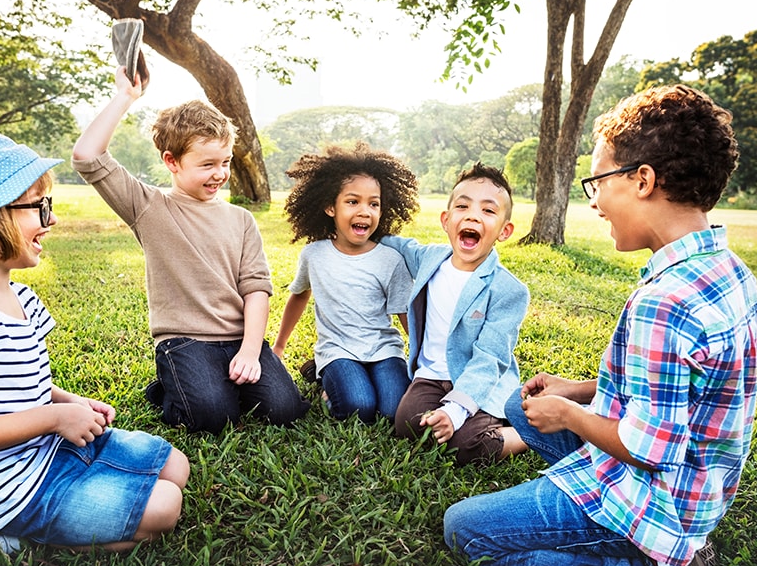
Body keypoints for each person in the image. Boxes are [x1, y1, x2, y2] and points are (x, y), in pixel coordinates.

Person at [444, 85, 757, 566]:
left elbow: (652, 450)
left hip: (656, 500)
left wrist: (571, 415)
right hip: (697, 489)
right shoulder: (729, 272)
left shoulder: (667, 301)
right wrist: (577, 390)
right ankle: (590, 491)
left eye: (596, 182)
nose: (593, 202)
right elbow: (682, 391)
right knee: (517, 405)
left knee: (465, 530)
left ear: (642, 180)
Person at [0, 127, 190, 557]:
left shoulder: (19, 296)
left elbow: (13, 385)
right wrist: (53, 419)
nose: (50, 220)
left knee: (175, 468)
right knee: (165, 506)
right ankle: (12, 538)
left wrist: (66, 402)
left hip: (39, 452)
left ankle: (64, 508)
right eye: (37, 207)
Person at [71, 66, 309, 434]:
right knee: (212, 417)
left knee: (285, 410)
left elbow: (256, 290)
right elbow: (87, 157)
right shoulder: (148, 207)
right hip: (184, 342)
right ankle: (170, 387)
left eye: (225, 162)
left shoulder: (241, 219)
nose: (220, 173)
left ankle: (220, 382)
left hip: (238, 338)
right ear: (172, 162)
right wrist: (125, 97)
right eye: (207, 164)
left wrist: (249, 351)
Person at [381, 163, 529, 466]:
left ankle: (524, 433)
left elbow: (490, 358)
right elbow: (396, 244)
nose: (473, 215)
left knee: (465, 445)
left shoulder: (508, 290)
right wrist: (362, 229)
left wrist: (454, 410)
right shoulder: (430, 259)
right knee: (407, 424)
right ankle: (453, 419)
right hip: (431, 378)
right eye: (463, 206)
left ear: (504, 231)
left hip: (479, 382)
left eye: (488, 211)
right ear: (446, 221)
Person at [272, 143, 419, 423]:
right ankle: (328, 382)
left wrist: (424, 359)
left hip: (384, 349)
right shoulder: (314, 255)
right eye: (353, 202)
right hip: (338, 349)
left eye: (373, 204)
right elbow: (299, 295)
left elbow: (404, 312)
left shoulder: (390, 259)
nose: (365, 211)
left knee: (392, 411)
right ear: (330, 207)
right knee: (358, 407)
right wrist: (279, 346)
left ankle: (330, 375)